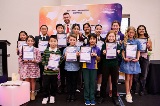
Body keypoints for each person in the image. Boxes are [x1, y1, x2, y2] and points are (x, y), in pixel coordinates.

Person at [98, 30, 121, 105]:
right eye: (110, 36)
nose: (111, 38)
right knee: (104, 81)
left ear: (115, 37)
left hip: (114, 65)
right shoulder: (104, 45)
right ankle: (102, 96)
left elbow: (120, 57)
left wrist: (118, 53)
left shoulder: (117, 45)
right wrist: (103, 52)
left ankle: (115, 97)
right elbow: (101, 55)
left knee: (114, 81)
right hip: (106, 65)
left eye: (112, 36)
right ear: (107, 37)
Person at [120, 26, 141, 103]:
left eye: (132, 32)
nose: (131, 34)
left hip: (134, 61)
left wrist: (138, 58)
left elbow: (139, 51)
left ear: (134, 33)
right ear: (127, 33)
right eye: (130, 32)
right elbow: (122, 51)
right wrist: (124, 57)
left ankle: (129, 92)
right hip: (127, 61)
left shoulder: (137, 41)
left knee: (131, 77)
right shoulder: (125, 41)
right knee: (127, 77)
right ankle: (127, 93)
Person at [18, 35, 41, 100]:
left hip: (33, 67)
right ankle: (27, 92)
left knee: (33, 80)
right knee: (27, 80)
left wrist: (34, 60)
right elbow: (19, 58)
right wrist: (23, 60)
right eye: (28, 41)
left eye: (31, 41)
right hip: (26, 67)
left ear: (34, 42)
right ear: (26, 41)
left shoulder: (36, 50)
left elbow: (39, 59)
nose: (30, 42)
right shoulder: (23, 49)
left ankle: (32, 92)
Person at [132, 25, 152, 96]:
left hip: (144, 57)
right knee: (135, 75)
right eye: (140, 29)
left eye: (142, 29)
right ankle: (133, 89)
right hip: (136, 57)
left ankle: (142, 90)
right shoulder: (135, 38)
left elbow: (150, 49)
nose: (141, 30)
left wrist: (149, 47)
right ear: (137, 30)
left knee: (144, 75)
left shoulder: (148, 39)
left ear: (145, 30)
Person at [41, 35, 61, 104]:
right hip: (46, 72)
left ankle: (52, 96)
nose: (53, 43)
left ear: (57, 42)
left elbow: (60, 61)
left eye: (55, 41)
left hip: (54, 72)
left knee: (54, 85)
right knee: (45, 85)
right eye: (51, 41)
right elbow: (42, 59)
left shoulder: (58, 51)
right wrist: (45, 65)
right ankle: (45, 97)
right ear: (49, 42)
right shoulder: (46, 51)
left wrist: (57, 65)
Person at [82, 33, 101, 105]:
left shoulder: (98, 48)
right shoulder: (84, 48)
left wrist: (96, 55)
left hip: (94, 67)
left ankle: (92, 98)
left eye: (94, 39)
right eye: (91, 39)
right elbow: (82, 58)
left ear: (96, 40)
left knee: (93, 83)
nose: (92, 40)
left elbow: (99, 59)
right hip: (85, 67)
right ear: (88, 40)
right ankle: (86, 98)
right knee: (86, 83)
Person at [108, 20, 124, 97]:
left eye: (116, 25)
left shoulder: (122, 35)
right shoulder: (109, 34)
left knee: (116, 74)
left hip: (117, 58)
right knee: (110, 75)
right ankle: (110, 90)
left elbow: (124, 47)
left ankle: (115, 90)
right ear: (112, 26)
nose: (115, 27)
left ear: (119, 26)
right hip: (109, 57)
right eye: (114, 25)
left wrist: (121, 45)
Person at [63, 34, 80, 102]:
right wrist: (65, 56)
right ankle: (69, 94)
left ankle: (73, 94)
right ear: (68, 40)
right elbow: (62, 59)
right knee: (68, 82)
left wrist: (78, 56)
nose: (72, 41)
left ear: (76, 41)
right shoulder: (65, 49)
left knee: (74, 82)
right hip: (68, 68)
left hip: (76, 68)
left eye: (74, 40)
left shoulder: (78, 49)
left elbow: (81, 59)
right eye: (71, 40)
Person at [35, 25, 50, 92]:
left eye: (45, 29)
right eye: (42, 29)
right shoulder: (37, 38)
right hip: (39, 57)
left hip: (47, 58)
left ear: (47, 30)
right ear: (40, 30)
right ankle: (41, 87)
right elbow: (35, 48)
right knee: (41, 72)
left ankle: (47, 87)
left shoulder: (49, 38)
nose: (44, 30)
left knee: (47, 72)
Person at [94, 24, 105, 97]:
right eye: (97, 29)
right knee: (93, 74)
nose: (98, 30)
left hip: (101, 59)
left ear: (101, 30)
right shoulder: (91, 38)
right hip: (92, 59)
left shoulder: (104, 40)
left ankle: (98, 89)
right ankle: (92, 89)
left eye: (99, 29)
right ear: (94, 30)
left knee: (100, 74)